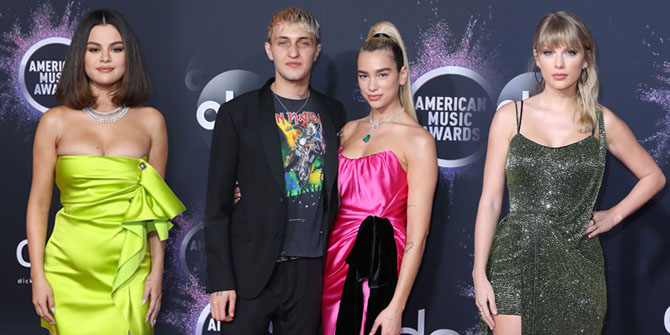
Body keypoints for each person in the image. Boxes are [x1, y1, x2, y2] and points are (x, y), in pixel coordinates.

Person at [472, 11, 666, 334]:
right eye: (549, 53)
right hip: (514, 262)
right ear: (537, 58)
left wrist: (614, 216)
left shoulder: (602, 123)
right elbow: (490, 201)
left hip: (577, 268)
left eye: (570, 52)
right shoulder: (510, 117)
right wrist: (479, 274)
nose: (559, 64)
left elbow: (653, 177)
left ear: (586, 59)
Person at [26, 9, 185, 335]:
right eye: (94, 49)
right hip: (68, 270)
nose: (105, 58)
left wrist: (156, 272)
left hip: (129, 267)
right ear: (80, 56)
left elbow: (155, 210)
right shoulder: (54, 122)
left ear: (129, 56)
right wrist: (38, 277)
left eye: (116, 48)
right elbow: (39, 205)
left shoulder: (151, 122)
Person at [204, 7, 345, 334]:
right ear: (269, 49)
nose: (293, 52)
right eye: (283, 43)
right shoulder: (237, 114)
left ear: (317, 50)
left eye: (303, 43)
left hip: (309, 274)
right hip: (249, 273)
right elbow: (216, 207)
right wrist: (220, 280)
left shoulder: (334, 113)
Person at [322, 21, 438, 335]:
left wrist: (396, 306)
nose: (372, 86)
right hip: (330, 262)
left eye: (382, 74)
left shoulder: (418, 141)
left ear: (401, 76)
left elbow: (418, 235)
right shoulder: (347, 130)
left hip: (375, 268)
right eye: (364, 75)